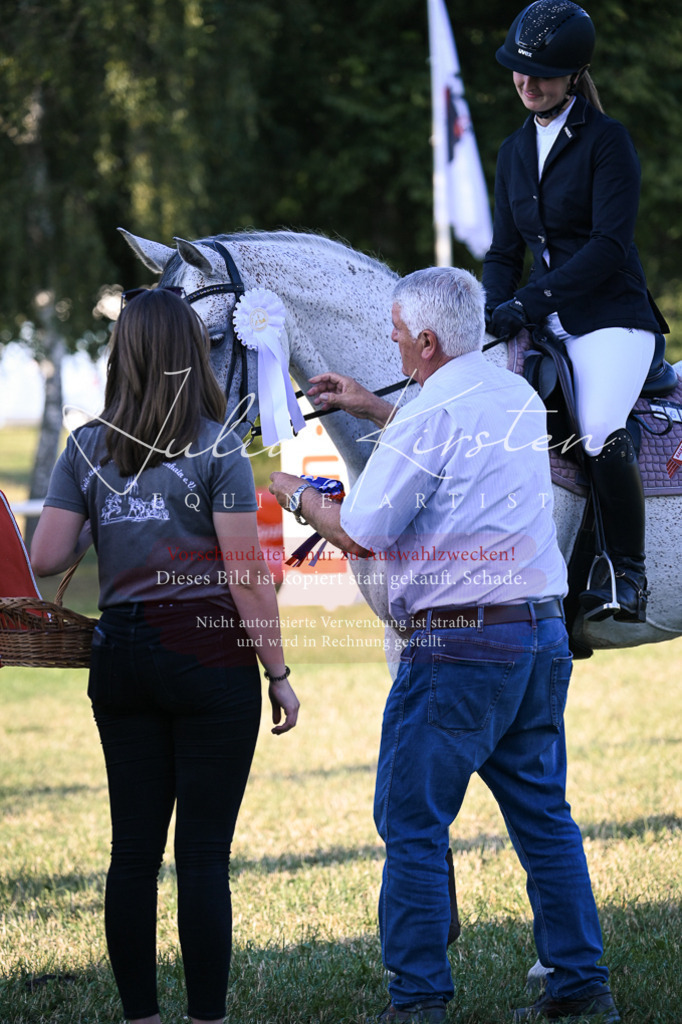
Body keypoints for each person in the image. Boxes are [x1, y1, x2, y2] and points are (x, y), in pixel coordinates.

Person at [270, 267, 619, 1023]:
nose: (392, 349)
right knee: (543, 816)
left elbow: (360, 533)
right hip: (538, 632)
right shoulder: (514, 395)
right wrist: (369, 404)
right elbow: (453, 449)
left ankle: (419, 1000)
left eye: (397, 338)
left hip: (459, 645)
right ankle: (581, 986)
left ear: (426, 342)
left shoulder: (428, 413)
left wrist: (290, 490)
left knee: (412, 820)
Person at [31, 288, 299, 1024]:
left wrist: (103, 509)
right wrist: (277, 674)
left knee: (132, 855)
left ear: (124, 358)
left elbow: (48, 553)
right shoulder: (219, 445)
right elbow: (247, 577)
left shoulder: (86, 447)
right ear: (191, 355)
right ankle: (205, 1019)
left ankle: (141, 1019)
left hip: (122, 656)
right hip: (208, 658)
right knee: (203, 857)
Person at [482, 0, 669, 625]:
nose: (526, 84)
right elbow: (504, 252)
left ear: (573, 74)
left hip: (613, 319)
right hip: (547, 318)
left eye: (541, 75)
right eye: (518, 71)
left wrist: (530, 301)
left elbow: (608, 247)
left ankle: (627, 576)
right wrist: (490, 309)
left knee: (595, 427)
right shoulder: (513, 150)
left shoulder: (607, 141)